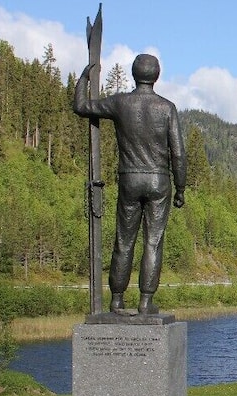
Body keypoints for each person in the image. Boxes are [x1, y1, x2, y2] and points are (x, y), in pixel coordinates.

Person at [73, 54, 187, 315]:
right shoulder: (166, 108)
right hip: (159, 180)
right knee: (153, 242)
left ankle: (116, 299)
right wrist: (180, 188)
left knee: (124, 240)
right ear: (156, 76)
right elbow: (178, 153)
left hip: (130, 179)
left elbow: (80, 106)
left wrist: (83, 78)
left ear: (135, 74)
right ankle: (146, 301)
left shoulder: (120, 103)